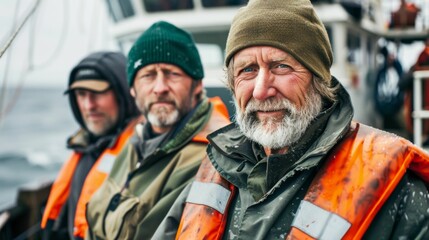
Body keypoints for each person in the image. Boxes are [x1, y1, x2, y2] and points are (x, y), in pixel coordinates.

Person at [153, 0, 429, 239]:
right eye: (247, 70)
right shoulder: (215, 167)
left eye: (281, 66)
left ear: (318, 79)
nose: (261, 90)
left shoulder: (397, 190)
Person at [85, 21, 230, 239]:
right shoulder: (135, 142)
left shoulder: (211, 156)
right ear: (133, 89)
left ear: (197, 84)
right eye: (148, 75)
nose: (160, 88)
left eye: (172, 74)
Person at [41, 51, 141, 239]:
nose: (88, 105)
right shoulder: (86, 150)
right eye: (81, 94)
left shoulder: (144, 154)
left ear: (124, 93)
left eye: (97, 93)